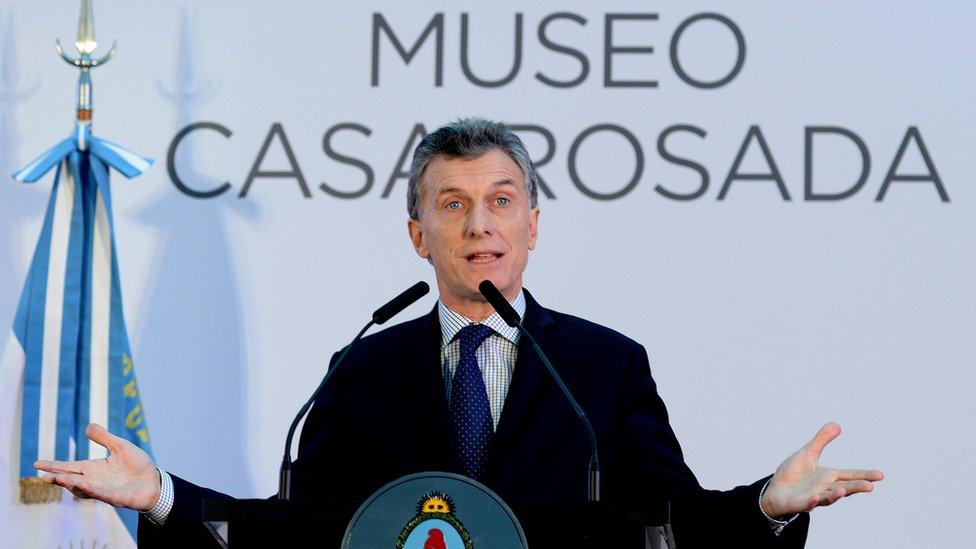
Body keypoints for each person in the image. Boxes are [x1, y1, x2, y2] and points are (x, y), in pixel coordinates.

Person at [35, 119, 883, 546]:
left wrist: (767, 507)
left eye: (502, 200)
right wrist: (161, 497)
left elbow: (666, 519)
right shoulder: (361, 371)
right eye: (454, 204)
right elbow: (292, 536)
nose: (481, 223)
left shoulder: (602, 366)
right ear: (418, 234)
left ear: (533, 224)